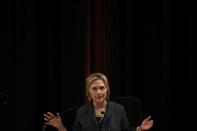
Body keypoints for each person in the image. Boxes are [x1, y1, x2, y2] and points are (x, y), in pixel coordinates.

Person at [43, 73, 153, 131]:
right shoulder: (81, 112)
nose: (99, 92)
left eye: (102, 88)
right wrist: (60, 127)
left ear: (107, 89)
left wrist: (141, 129)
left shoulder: (119, 109)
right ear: (88, 92)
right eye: (94, 89)